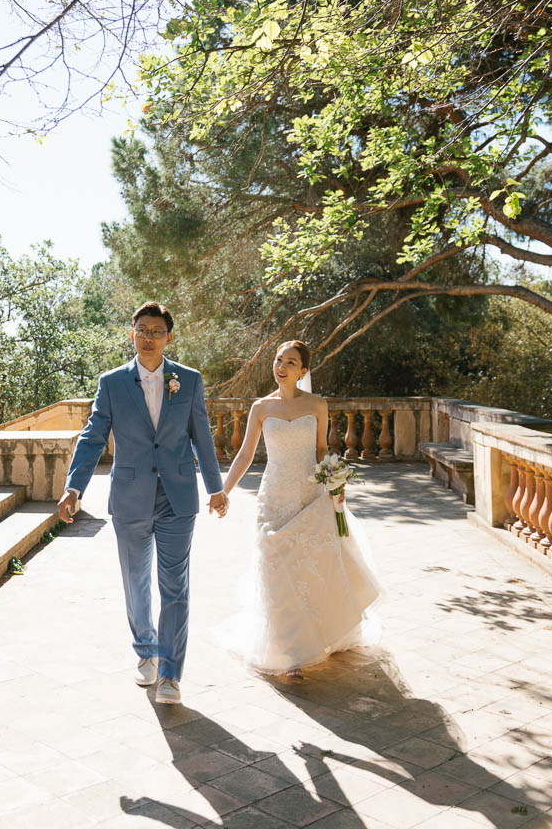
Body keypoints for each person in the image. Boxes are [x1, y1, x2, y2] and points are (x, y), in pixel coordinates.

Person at [57, 301, 228, 705]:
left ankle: (170, 673)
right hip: (130, 499)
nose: (148, 337)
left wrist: (215, 487)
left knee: (175, 587)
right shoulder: (112, 383)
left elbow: (201, 434)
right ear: (132, 334)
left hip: (177, 498)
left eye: (156, 331)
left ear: (168, 337)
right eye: (142, 329)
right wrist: (74, 487)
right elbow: (93, 436)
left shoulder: (188, 379)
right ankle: (145, 651)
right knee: (136, 584)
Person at [222, 340, 381, 676]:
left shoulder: (317, 405)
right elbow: (245, 454)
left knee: (309, 569)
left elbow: (322, 448)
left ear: (304, 371)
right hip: (275, 497)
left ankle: (313, 638)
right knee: (277, 570)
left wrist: (334, 483)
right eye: (279, 360)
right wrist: (224, 491)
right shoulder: (261, 408)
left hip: (310, 496)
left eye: (291, 362)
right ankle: (290, 652)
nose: (282, 367)